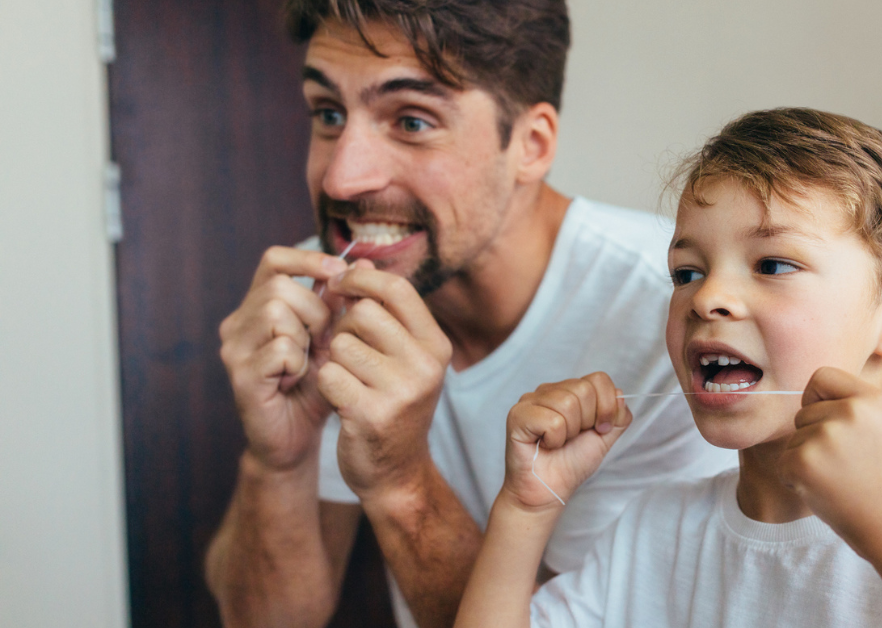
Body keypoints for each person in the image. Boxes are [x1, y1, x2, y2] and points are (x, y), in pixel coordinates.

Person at [454, 108, 882, 628]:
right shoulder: (656, 533)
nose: (706, 297)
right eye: (686, 272)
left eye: (773, 265)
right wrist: (525, 508)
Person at [203, 2, 735, 627]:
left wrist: (401, 484)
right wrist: (276, 461)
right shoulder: (324, 299)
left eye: (411, 121)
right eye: (328, 113)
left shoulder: (681, 318)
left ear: (531, 146)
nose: (342, 180)